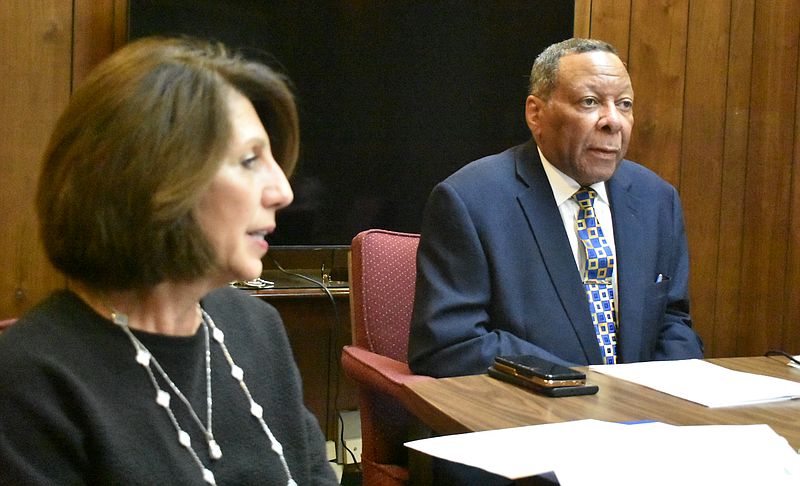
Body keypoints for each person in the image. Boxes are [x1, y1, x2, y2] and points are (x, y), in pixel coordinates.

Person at [0, 37, 339, 486]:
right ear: (156, 178)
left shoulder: (258, 328)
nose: (284, 191)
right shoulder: (28, 381)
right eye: (250, 160)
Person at [409, 37, 704, 378]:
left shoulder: (657, 199)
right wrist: (583, 384)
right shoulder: (470, 201)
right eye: (590, 102)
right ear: (536, 113)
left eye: (624, 104)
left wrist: (658, 397)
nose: (613, 122)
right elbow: (450, 344)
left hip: (644, 417)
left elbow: (672, 321)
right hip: (532, 415)